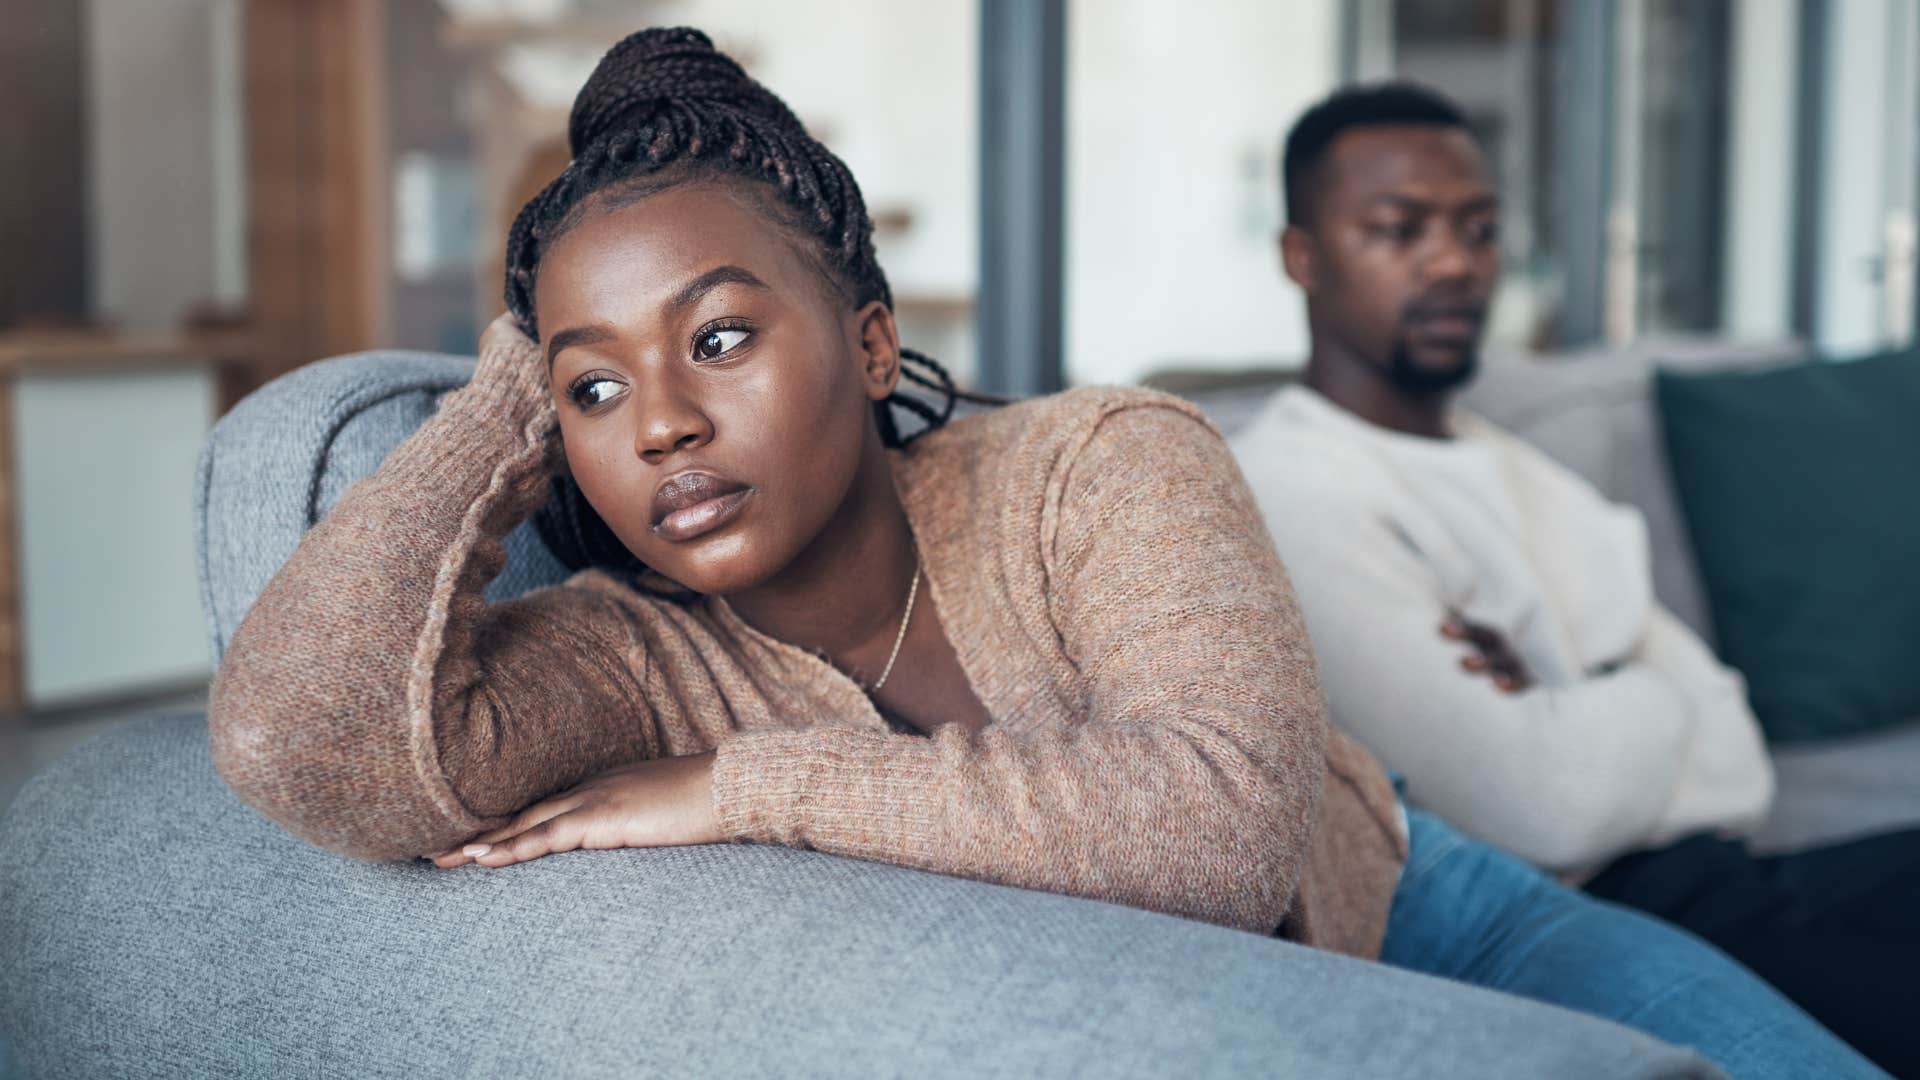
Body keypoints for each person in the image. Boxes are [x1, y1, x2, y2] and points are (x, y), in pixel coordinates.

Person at [208, 31, 1879, 1078]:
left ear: (869, 343)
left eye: (719, 339)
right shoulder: (626, 655)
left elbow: (1226, 830)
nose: (655, 422)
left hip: (1439, 908)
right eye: (597, 384)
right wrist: (518, 373)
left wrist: (747, 787)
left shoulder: (1099, 462)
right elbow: (301, 742)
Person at [1232, 80, 1916, 1077]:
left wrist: (1574, 697)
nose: (1456, 263)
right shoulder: (1290, 489)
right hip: (1610, 918)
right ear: (1304, 257)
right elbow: (1532, 806)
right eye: (1400, 228)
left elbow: (1743, 759)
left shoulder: (1520, 465)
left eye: (1479, 227)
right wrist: (1646, 682)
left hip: (1738, 877)